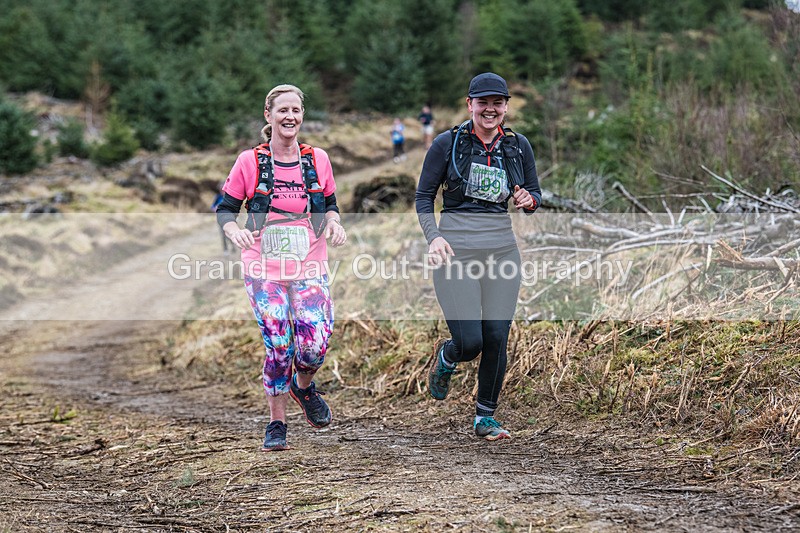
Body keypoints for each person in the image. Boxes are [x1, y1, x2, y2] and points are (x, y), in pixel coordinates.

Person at [216, 84, 347, 451]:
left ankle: (302, 387)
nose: (290, 117)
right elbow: (226, 209)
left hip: (309, 261)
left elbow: (331, 202)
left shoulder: (317, 159)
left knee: (315, 343)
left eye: (296, 110)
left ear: (302, 115)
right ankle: (276, 423)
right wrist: (233, 231)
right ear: (268, 115)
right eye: (282, 110)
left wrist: (335, 223)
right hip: (262, 264)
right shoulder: (250, 161)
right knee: (279, 343)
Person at [415, 72, 541, 441]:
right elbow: (424, 197)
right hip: (455, 252)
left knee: (497, 335)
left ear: (505, 106)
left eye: (497, 102)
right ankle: (448, 355)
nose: (490, 109)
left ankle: (485, 416)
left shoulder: (518, 146)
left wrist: (529, 200)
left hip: (502, 250)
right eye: (482, 102)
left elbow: (533, 194)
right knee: (471, 342)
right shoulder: (447, 144)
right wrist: (433, 237)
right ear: (469, 104)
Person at [210, 182, 232, 255]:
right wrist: (215, 209)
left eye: (223, 188)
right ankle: (225, 249)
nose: (222, 190)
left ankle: (233, 246)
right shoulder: (217, 197)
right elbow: (212, 207)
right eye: (220, 188)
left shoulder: (230, 196)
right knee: (222, 234)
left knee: (230, 233)